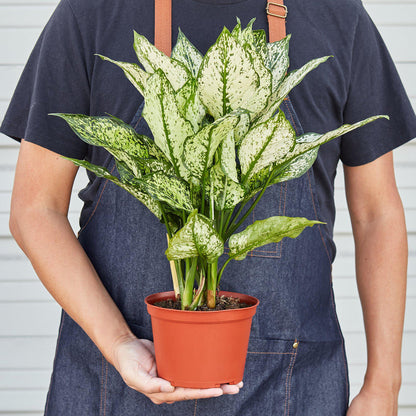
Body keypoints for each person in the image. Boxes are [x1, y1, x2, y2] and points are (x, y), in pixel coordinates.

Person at [1, 0, 415, 414]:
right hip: (114, 385)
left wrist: (384, 385)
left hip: (291, 387)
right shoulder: (93, 12)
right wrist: (119, 343)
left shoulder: (336, 14)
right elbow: (35, 210)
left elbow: (377, 215)